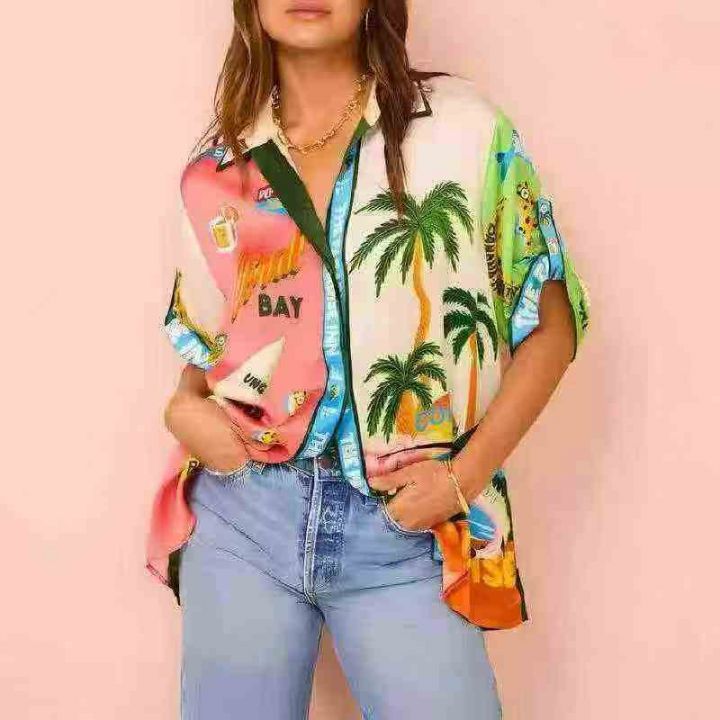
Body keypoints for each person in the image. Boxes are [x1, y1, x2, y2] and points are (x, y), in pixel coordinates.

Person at [145, 1, 591, 717]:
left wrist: (462, 479)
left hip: (404, 530)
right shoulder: (218, 166)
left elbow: (553, 328)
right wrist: (182, 409)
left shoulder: (464, 130)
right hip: (243, 517)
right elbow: (214, 338)